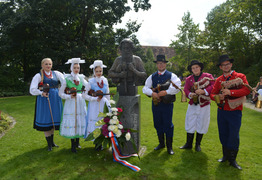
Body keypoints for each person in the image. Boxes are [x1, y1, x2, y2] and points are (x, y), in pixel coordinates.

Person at [210, 54, 251, 170]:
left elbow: (246, 90)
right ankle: (225, 156)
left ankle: (233, 160)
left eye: (227, 64)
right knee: (223, 133)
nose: (226, 66)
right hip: (222, 111)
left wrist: (230, 93)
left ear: (231, 64)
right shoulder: (219, 80)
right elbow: (212, 94)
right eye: (223, 65)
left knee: (233, 135)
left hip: (235, 111)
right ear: (220, 67)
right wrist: (218, 97)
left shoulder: (240, 76)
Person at [142, 55, 181, 155]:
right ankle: (161, 143)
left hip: (167, 104)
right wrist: (152, 93)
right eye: (159, 63)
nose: (160, 65)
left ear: (165, 64)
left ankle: (169, 147)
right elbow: (145, 88)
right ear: (156, 64)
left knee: (168, 124)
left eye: (162, 63)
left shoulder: (171, 75)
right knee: (157, 123)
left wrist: (166, 92)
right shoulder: (152, 76)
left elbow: (177, 87)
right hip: (156, 105)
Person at [30, 58, 64, 151]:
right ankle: (49, 144)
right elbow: (32, 89)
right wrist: (41, 93)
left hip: (56, 99)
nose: (48, 66)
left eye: (49, 64)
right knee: (47, 120)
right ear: (42, 65)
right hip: (44, 100)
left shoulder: (56, 74)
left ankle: (52, 142)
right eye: (46, 64)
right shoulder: (38, 75)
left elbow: (65, 83)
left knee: (53, 121)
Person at [180, 60, 214, 152]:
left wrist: (204, 91)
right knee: (190, 121)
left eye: (196, 67)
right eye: (193, 68)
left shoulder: (208, 77)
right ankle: (188, 144)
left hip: (204, 104)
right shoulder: (189, 79)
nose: (195, 69)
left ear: (200, 68)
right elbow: (186, 90)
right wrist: (191, 94)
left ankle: (198, 144)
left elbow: (213, 86)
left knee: (202, 122)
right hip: (192, 104)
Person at [59, 58, 88, 153]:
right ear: (71, 68)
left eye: (78, 68)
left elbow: (88, 87)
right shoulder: (66, 79)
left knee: (79, 120)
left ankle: (78, 142)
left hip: (80, 101)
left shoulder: (81, 78)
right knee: (73, 121)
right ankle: (72, 144)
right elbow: (60, 93)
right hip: (71, 102)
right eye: (75, 67)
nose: (76, 69)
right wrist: (69, 96)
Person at [83, 60, 111, 150]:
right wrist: (94, 98)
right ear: (94, 72)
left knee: (103, 122)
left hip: (103, 105)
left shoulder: (105, 80)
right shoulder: (90, 82)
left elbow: (107, 93)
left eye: (100, 71)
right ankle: (96, 142)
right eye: (97, 71)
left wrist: (109, 105)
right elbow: (84, 95)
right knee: (95, 122)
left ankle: (101, 141)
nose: (99, 73)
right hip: (94, 106)